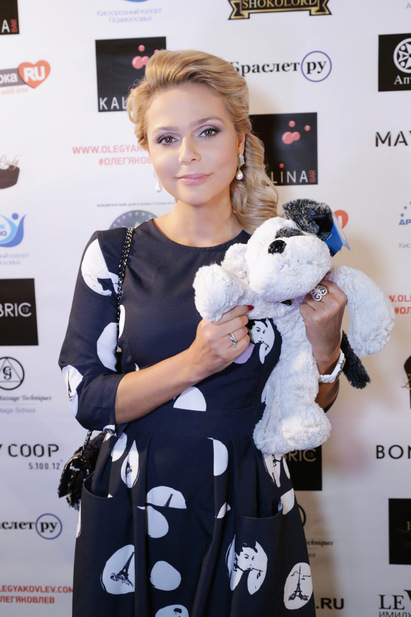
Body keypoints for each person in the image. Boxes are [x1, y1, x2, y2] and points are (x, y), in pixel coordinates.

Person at [59, 49, 347, 617]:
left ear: (240, 140)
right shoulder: (113, 253)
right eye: (167, 139)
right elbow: (87, 399)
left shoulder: (284, 258)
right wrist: (195, 361)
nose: (187, 154)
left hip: (248, 492)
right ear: (148, 151)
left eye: (208, 132)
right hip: (136, 496)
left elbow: (306, 409)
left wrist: (326, 349)